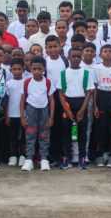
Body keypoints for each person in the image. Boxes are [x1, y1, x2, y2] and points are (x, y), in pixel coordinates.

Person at [57, 47, 94, 170]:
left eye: (78, 56)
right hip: (67, 104)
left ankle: (82, 157)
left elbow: (88, 92)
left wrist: (82, 110)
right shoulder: (63, 73)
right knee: (66, 133)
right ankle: (66, 157)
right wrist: (67, 110)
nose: (76, 59)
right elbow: (61, 93)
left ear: (81, 57)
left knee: (82, 133)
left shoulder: (86, 73)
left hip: (81, 104)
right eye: (73, 56)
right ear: (68, 57)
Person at [20, 56, 55, 171]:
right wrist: (22, 117)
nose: (37, 71)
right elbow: (22, 99)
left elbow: (51, 100)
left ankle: (44, 160)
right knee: (30, 135)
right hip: (31, 110)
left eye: (39, 69)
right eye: (34, 69)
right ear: (30, 68)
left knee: (44, 135)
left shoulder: (48, 82)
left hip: (44, 110)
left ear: (44, 69)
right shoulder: (27, 82)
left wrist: (51, 117)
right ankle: (29, 159)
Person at [94, 44, 111, 168]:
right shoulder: (97, 68)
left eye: (110, 51)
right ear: (100, 55)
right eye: (105, 51)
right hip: (101, 97)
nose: (108, 53)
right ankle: (101, 154)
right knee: (101, 128)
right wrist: (95, 105)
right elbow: (94, 88)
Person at [45, 35, 68, 165]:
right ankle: (51, 155)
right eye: (50, 47)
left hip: (62, 95)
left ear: (60, 47)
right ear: (46, 49)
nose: (53, 49)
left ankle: (62, 154)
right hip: (49, 97)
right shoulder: (44, 61)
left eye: (55, 46)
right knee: (51, 126)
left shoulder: (65, 61)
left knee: (62, 126)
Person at [5, 58, 26, 167]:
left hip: (24, 115)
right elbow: (7, 100)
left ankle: (23, 155)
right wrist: (7, 115)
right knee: (12, 136)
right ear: (11, 70)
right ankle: (13, 155)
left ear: (23, 69)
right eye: (15, 69)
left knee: (24, 136)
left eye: (19, 69)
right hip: (12, 114)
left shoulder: (27, 82)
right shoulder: (8, 84)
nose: (17, 71)